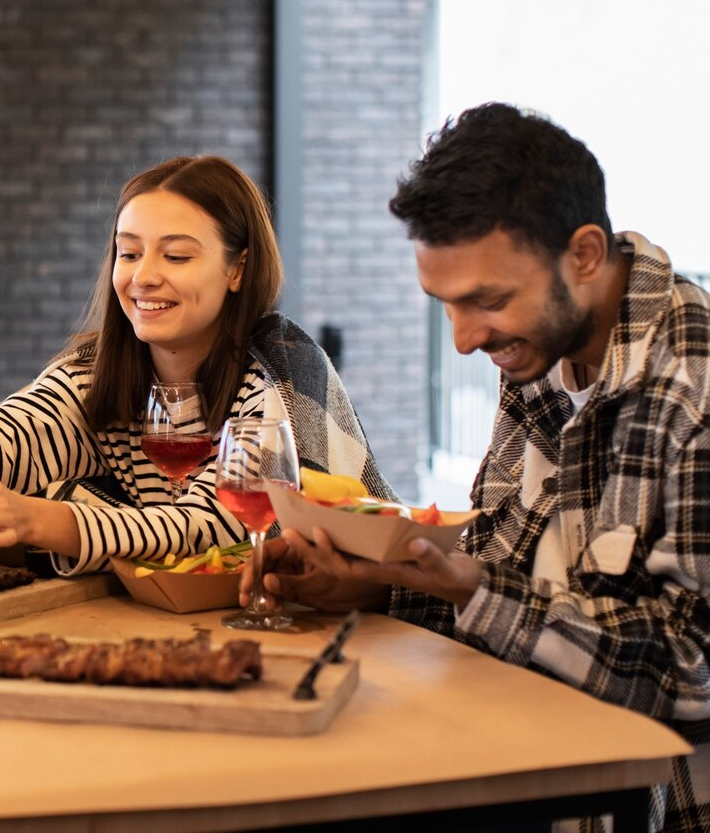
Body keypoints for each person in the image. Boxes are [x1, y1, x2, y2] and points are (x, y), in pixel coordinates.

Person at [253, 103, 710, 832]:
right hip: (514, 765)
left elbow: (690, 671)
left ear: (584, 255)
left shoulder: (694, 387)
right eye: (446, 306)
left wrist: (471, 585)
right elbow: (506, 586)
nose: (465, 339)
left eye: (486, 302)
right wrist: (370, 587)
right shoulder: (541, 344)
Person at [0, 156, 393, 572]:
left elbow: (229, 527)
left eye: (177, 255)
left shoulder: (286, 369)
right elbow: (6, 434)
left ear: (237, 269)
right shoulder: (103, 368)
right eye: (128, 253)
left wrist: (46, 521)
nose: (144, 276)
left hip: (371, 638)